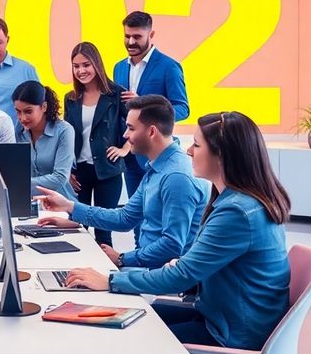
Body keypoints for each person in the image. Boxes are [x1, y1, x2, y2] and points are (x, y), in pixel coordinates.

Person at [62, 111, 292, 353]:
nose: (190, 151)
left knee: (122, 338)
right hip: (221, 314)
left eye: (197, 144)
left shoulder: (237, 212)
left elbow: (181, 276)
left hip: (230, 332)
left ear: (222, 156)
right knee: (122, 316)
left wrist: (109, 280)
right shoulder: (237, 200)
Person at [36, 95, 208, 269]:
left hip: (161, 280)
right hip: (148, 270)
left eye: (131, 128)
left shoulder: (176, 177)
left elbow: (172, 245)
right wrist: (69, 206)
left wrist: (122, 259)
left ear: (151, 132)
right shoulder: (159, 167)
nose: (125, 135)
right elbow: (124, 218)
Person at [112, 11, 190, 223]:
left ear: (151, 34)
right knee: (135, 218)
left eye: (137, 37)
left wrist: (145, 104)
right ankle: (140, 254)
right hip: (131, 156)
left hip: (159, 156)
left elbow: (183, 108)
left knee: (159, 217)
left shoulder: (169, 66)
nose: (130, 41)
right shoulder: (119, 67)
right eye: (127, 36)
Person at [63, 42, 128, 246]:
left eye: (86, 65)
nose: (81, 70)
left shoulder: (116, 94)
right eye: (76, 66)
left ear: (96, 64)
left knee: (103, 232)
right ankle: (76, 274)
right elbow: (66, 136)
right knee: (76, 228)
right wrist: (67, 171)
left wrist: (125, 149)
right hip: (79, 173)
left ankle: (105, 277)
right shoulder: (71, 98)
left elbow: (138, 125)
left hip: (108, 172)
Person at [11, 80, 75, 202]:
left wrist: (19, 185)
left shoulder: (64, 131)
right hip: (27, 203)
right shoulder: (18, 130)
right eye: (18, 111)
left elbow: (60, 178)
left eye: (28, 111)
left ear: (44, 107)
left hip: (61, 203)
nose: (22, 118)